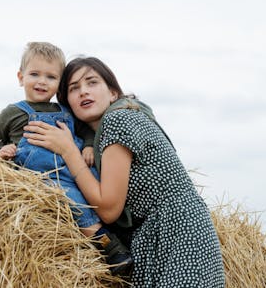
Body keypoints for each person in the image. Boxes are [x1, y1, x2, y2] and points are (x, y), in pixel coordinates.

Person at [22, 56, 225, 287]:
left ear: (113, 93)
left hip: (178, 234)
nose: (83, 92)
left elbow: (108, 208)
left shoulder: (118, 119)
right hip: (159, 238)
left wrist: (68, 151)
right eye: (73, 88)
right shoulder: (106, 131)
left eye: (92, 82)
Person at [0, 43, 133, 274]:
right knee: (75, 203)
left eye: (51, 77)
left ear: (59, 83)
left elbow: (85, 131)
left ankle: (121, 230)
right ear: (20, 77)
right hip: (46, 176)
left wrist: (86, 146)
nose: (42, 81)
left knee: (100, 191)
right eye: (34, 74)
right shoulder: (13, 112)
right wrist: (1, 151)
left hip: (74, 167)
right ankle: (111, 249)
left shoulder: (65, 110)